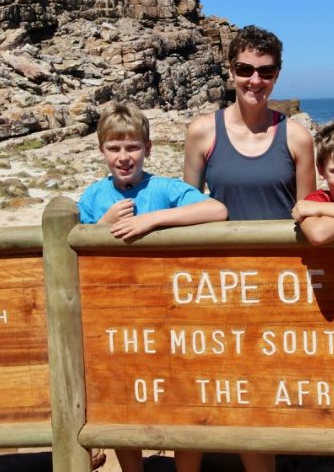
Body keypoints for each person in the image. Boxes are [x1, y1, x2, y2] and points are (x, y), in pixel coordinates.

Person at [181, 24, 315, 472]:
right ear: (230, 70)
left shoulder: (296, 137)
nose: (254, 81)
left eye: (265, 71)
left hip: (280, 286)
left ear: (277, 75)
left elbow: (310, 212)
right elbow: (187, 209)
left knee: (266, 387)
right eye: (245, 69)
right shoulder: (202, 132)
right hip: (218, 284)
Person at [78, 102, 228, 472]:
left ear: (148, 148)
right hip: (118, 319)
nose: (124, 157)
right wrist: (104, 226)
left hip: (169, 316)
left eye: (132, 147)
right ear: (101, 151)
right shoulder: (93, 198)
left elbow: (216, 211)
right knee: (122, 401)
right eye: (114, 148)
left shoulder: (164, 188)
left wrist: (154, 220)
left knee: (182, 399)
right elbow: (77, 247)